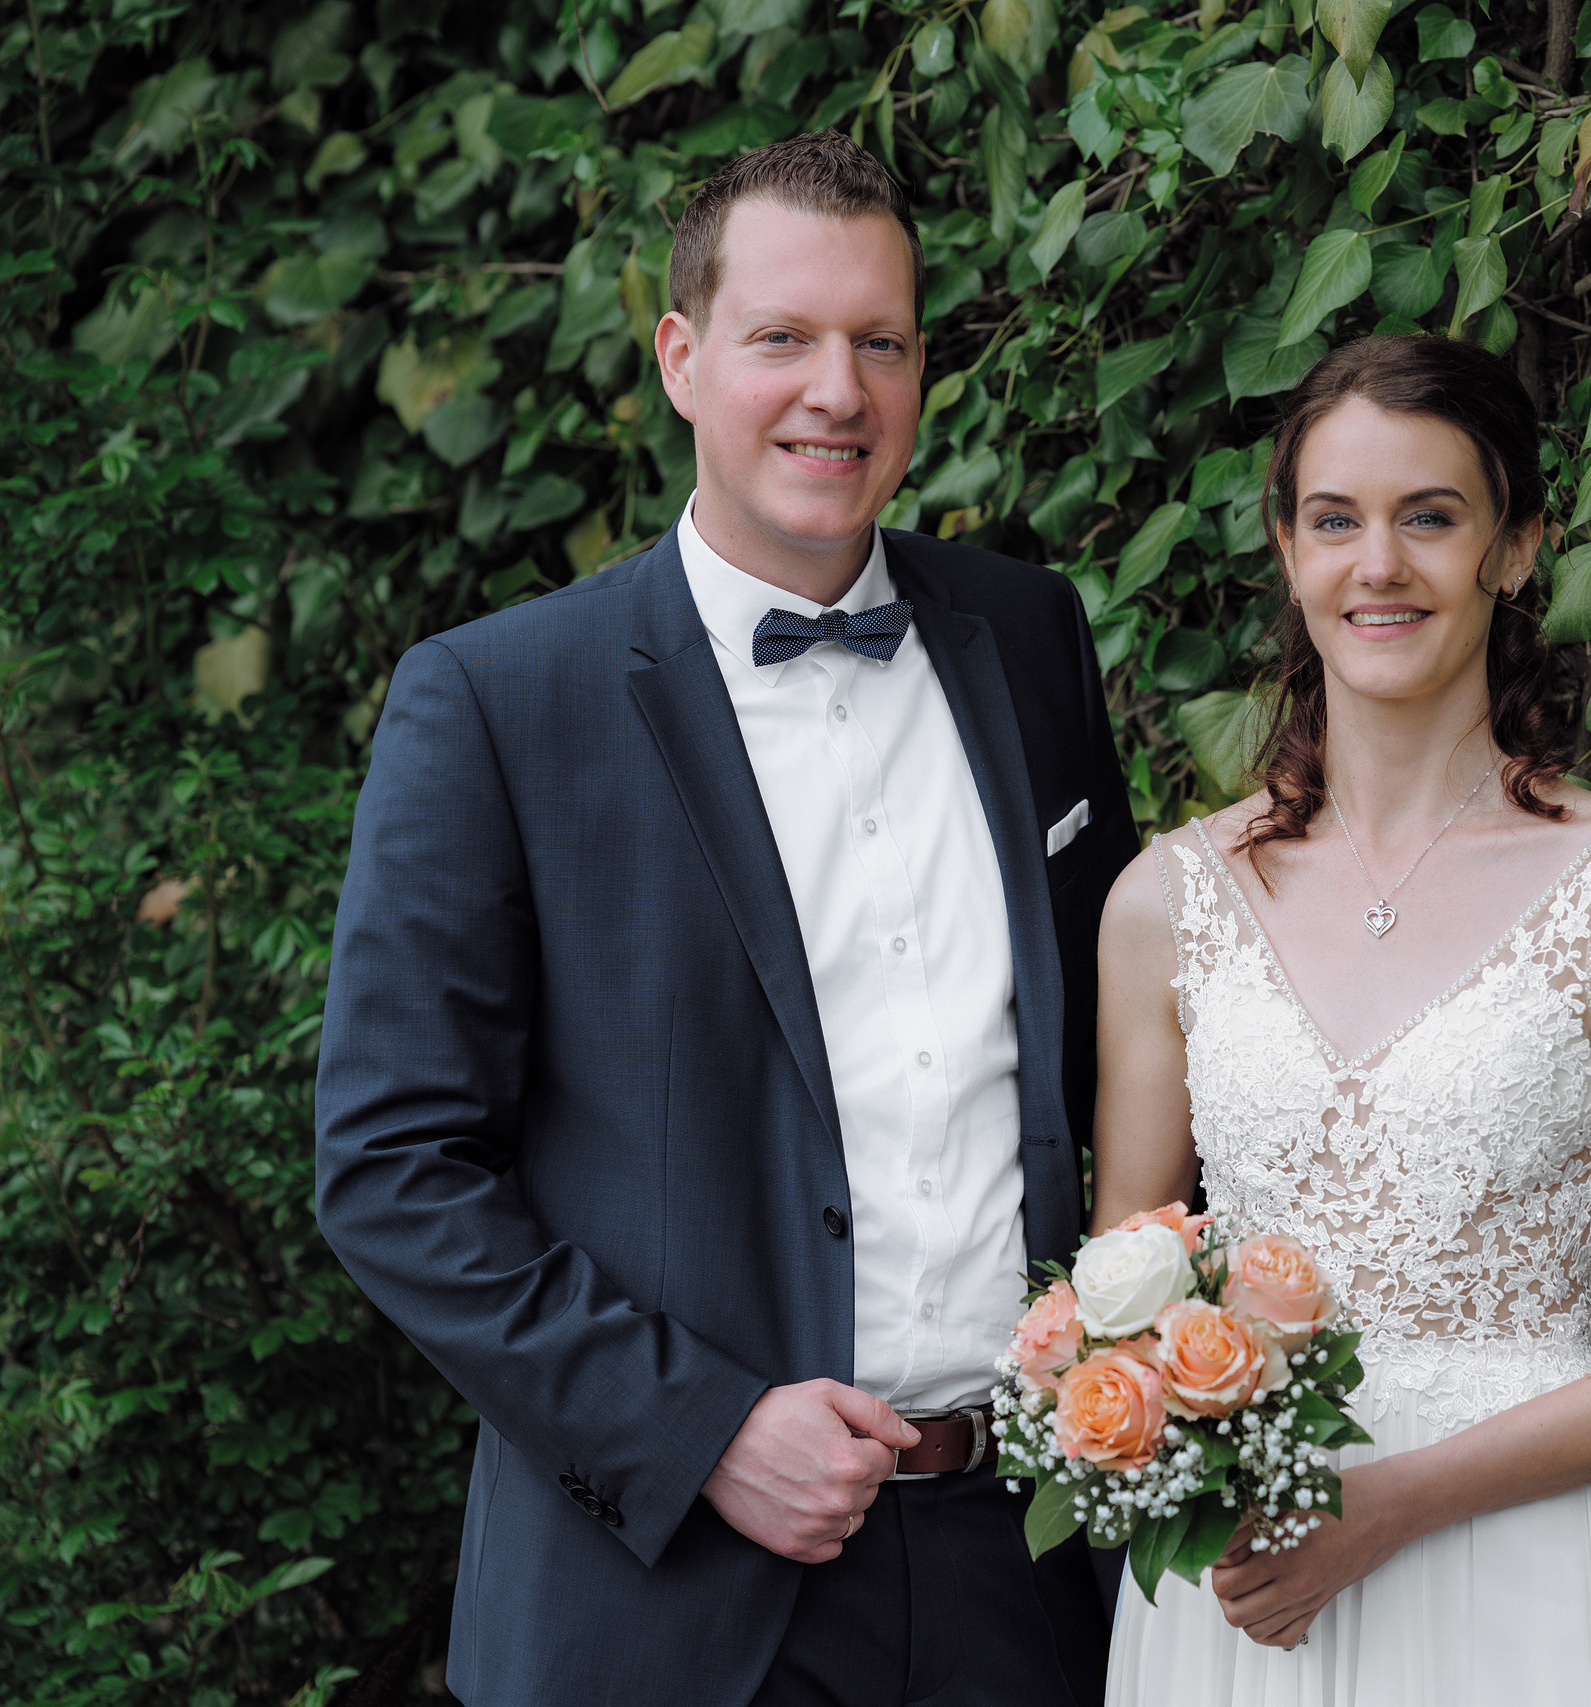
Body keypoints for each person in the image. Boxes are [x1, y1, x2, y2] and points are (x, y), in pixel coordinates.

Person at [313, 133, 1134, 1707]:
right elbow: (395, 1169)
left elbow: (1122, 1059)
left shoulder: (1028, 638)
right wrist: (698, 1434)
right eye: (785, 339)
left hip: (1022, 1568)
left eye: (879, 342)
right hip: (666, 1601)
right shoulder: (497, 702)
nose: (839, 388)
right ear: (684, 359)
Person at [1089, 334, 1591, 1704]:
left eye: (1431, 518)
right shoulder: (1167, 903)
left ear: (1517, 545)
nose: (1380, 566)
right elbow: (1125, 1284)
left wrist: (1399, 1503)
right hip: (1250, 1591)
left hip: (1523, 1573)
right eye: (1336, 521)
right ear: (1287, 546)